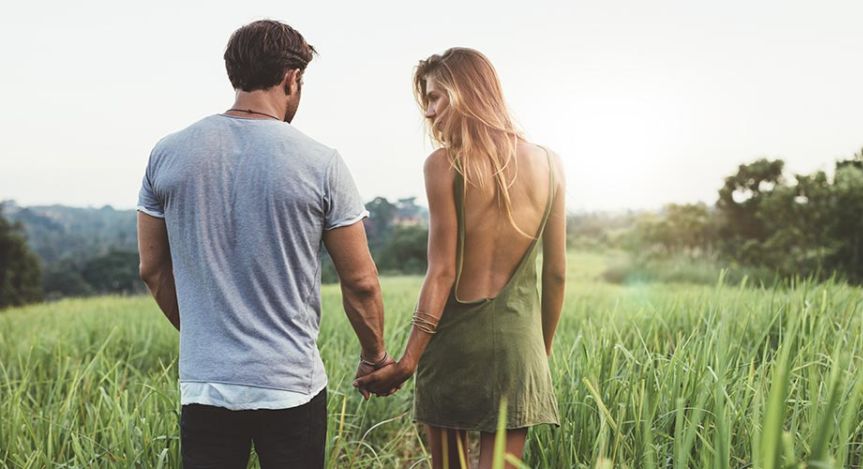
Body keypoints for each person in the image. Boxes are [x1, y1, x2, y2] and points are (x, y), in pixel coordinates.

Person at [136, 20, 392, 469]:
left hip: (205, 386)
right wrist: (375, 357)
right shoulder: (321, 162)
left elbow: (152, 269)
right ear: (292, 78)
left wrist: (207, 335)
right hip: (290, 384)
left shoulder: (167, 153)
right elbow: (361, 282)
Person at [354, 47, 566, 469]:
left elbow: (442, 271)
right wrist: (538, 354)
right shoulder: (550, 163)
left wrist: (407, 361)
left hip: (451, 347)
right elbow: (557, 274)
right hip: (517, 348)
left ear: (465, 92)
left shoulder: (444, 165)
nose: (429, 113)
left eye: (435, 98)